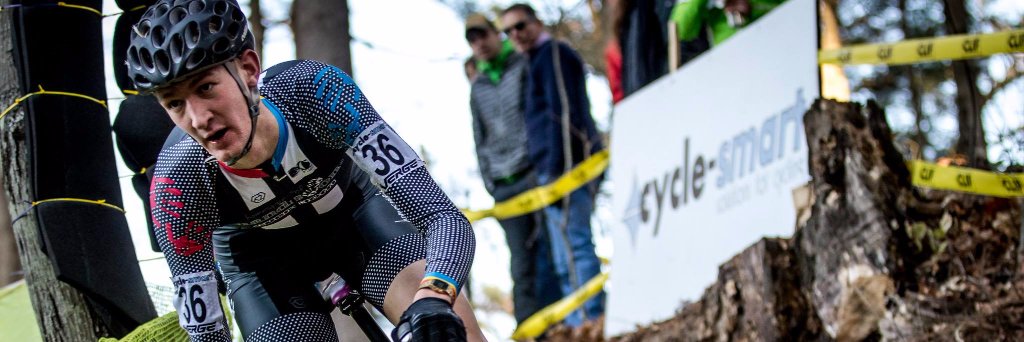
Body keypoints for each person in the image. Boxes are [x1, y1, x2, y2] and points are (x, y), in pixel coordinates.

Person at [126, 0, 484, 341]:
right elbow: (205, 331)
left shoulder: (316, 92)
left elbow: (442, 217)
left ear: (249, 70)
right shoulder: (177, 182)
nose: (198, 118)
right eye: (175, 103)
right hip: (261, 267)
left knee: (448, 331)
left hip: (356, 220)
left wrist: (434, 296)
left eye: (206, 87)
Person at [501, 3, 606, 327]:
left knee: (576, 249)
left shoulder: (554, 54)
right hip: (549, 173)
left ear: (537, 22)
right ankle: (579, 324)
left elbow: (564, 115)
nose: (515, 34)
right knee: (563, 259)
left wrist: (563, 172)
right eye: (508, 31)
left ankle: (594, 321)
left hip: (567, 171)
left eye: (520, 25)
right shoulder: (533, 62)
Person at [464, 13, 559, 325]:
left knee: (550, 251)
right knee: (521, 262)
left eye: (482, 35)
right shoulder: (477, 88)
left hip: (534, 173)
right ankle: (530, 328)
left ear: (495, 35)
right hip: (504, 184)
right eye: (472, 40)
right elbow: (479, 136)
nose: (479, 44)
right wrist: (491, 182)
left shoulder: (523, 65)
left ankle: (561, 322)